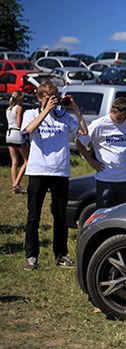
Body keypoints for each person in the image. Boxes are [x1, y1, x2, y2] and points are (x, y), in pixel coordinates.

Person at [21, 81, 88, 270]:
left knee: (59, 216)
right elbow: (29, 130)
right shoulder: (31, 113)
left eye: (55, 96)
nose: (52, 100)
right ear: (40, 98)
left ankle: (61, 254)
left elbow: (84, 132)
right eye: (48, 97)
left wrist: (75, 109)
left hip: (60, 171)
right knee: (33, 215)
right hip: (38, 170)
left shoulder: (64, 116)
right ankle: (32, 256)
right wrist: (45, 110)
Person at [76, 97, 126, 209]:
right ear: (112, 111)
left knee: (125, 212)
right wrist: (91, 162)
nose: (121, 120)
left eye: (124, 118)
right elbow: (80, 142)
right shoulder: (99, 124)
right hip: (105, 178)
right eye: (118, 118)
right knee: (104, 212)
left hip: (125, 178)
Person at [5, 91, 29, 193]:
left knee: (14, 162)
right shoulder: (19, 108)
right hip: (17, 134)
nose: (23, 100)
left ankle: (15, 185)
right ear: (19, 99)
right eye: (22, 98)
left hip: (9, 134)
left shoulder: (8, 109)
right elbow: (19, 124)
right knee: (27, 160)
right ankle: (16, 184)